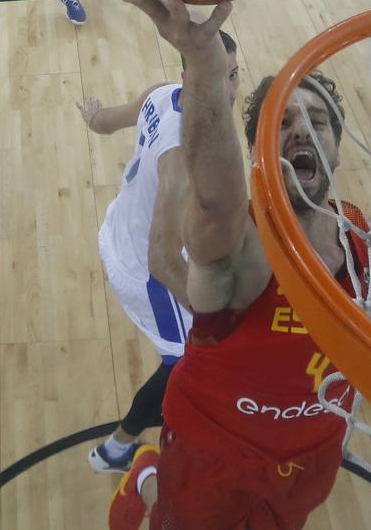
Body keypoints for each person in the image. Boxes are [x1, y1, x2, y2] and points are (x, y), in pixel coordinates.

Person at [101, 0, 371, 530]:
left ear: (335, 146)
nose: (301, 129)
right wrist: (205, 64)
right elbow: (213, 196)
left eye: (317, 121)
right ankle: (147, 474)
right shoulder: (242, 250)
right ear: (258, 154)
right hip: (210, 447)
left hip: (310, 456)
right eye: (282, 124)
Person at [77, 30, 240, 475]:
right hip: (143, 271)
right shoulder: (186, 156)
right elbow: (162, 260)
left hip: (119, 228)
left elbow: (107, 122)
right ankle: (116, 449)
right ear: (188, 76)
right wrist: (212, 318)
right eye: (212, 77)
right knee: (190, 358)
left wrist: (93, 116)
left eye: (232, 75)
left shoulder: (162, 95)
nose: (227, 89)